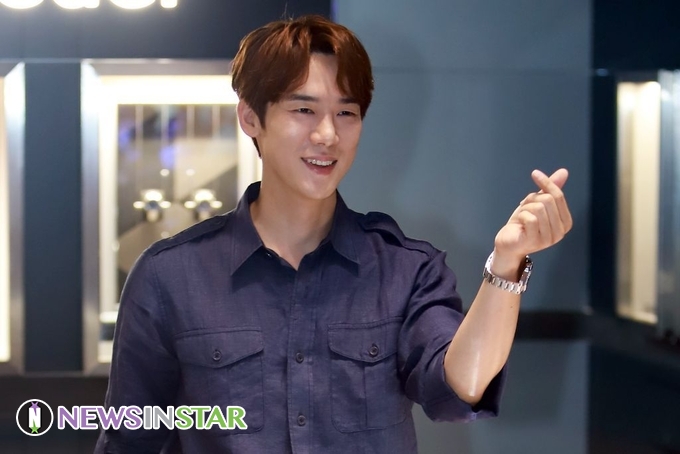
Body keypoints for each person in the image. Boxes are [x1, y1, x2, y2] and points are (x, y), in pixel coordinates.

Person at [95, 14, 572, 453]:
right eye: (304, 110)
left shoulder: (406, 269)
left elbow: (459, 388)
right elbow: (128, 442)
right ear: (251, 117)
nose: (327, 135)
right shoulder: (168, 276)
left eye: (347, 113)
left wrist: (507, 263)